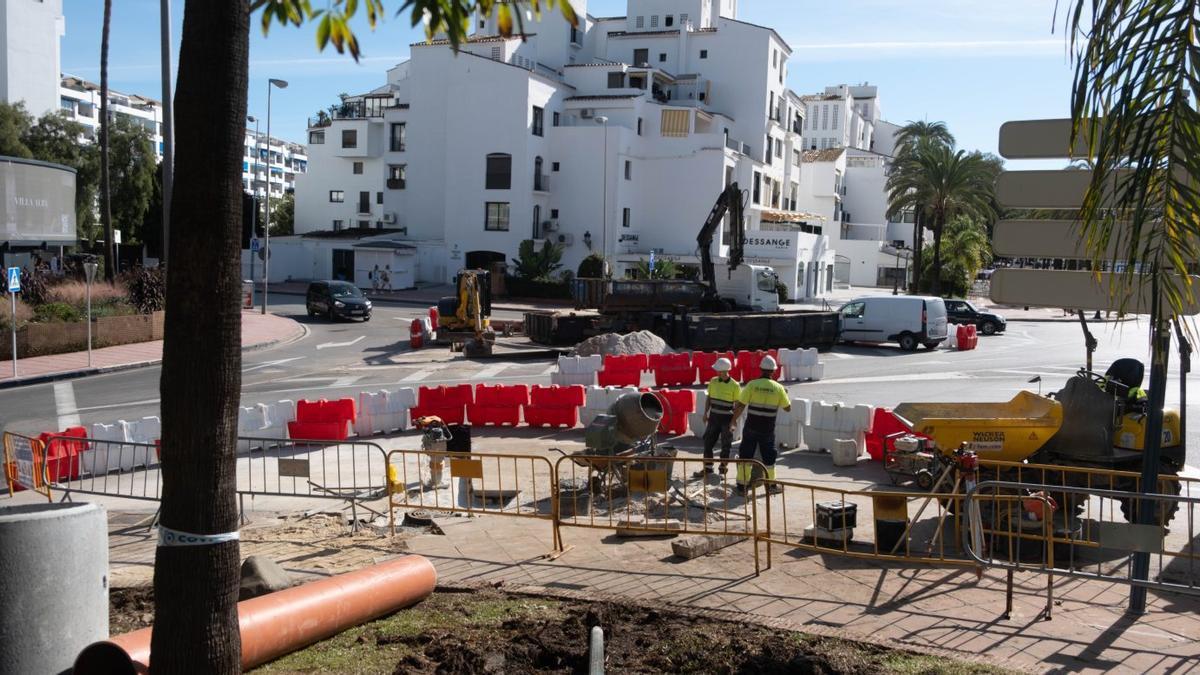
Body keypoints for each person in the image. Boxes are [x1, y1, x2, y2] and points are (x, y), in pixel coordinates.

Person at [730, 355, 790, 495]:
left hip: (751, 427)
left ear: (761, 369)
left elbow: (740, 405)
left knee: (746, 455)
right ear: (773, 371)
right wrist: (785, 394)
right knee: (769, 457)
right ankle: (771, 486)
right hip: (767, 430)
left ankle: (741, 487)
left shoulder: (752, 385)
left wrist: (733, 421)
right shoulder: (778, 388)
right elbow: (787, 408)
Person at [693, 357, 740, 480]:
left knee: (726, 445)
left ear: (724, 371)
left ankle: (722, 472)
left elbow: (737, 405)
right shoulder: (713, 381)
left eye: (718, 370)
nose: (716, 372)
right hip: (714, 418)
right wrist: (705, 413)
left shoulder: (735, 385)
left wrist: (734, 421)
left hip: (727, 419)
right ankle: (708, 469)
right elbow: (709, 399)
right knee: (708, 442)